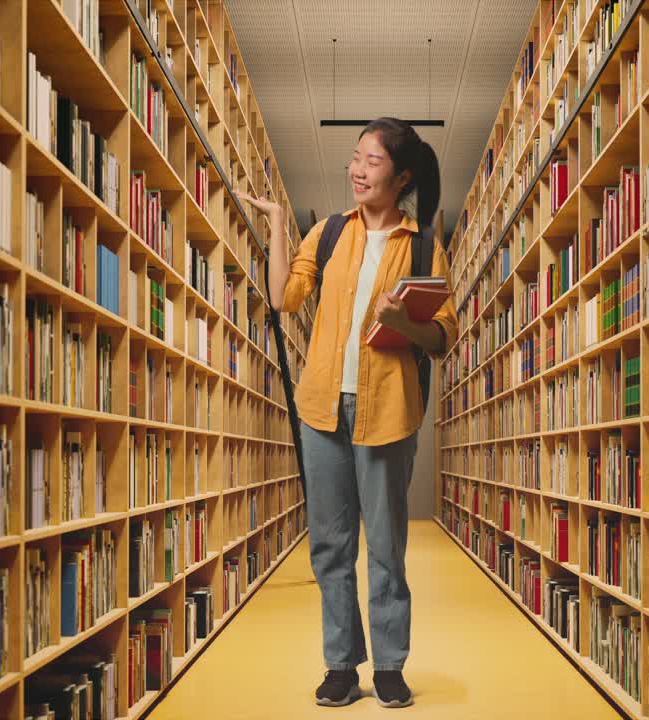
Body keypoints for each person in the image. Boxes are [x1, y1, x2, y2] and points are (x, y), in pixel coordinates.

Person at [238, 117, 458, 709]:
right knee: (330, 546)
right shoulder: (331, 233)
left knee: (386, 545)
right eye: (354, 158)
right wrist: (280, 225)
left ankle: (389, 664)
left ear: (401, 175)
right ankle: (341, 664)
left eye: (373, 161)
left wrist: (401, 324)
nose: (358, 170)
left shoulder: (421, 246)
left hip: (387, 407)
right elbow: (285, 298)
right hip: (321, 407)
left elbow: (442, 337)